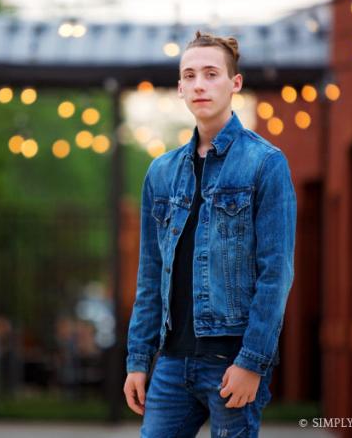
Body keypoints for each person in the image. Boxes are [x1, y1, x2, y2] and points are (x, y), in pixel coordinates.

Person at [124, 32, 296, 437]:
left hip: (231, 364)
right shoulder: (161, 173)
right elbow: (150, 274)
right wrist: (137, 359)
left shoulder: (266, 164)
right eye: (190, 75)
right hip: (170, 364)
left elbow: (276, 273)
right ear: (181, 88)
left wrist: (252, 362)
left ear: (234, 83)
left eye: (211, 73)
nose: (200, 84)